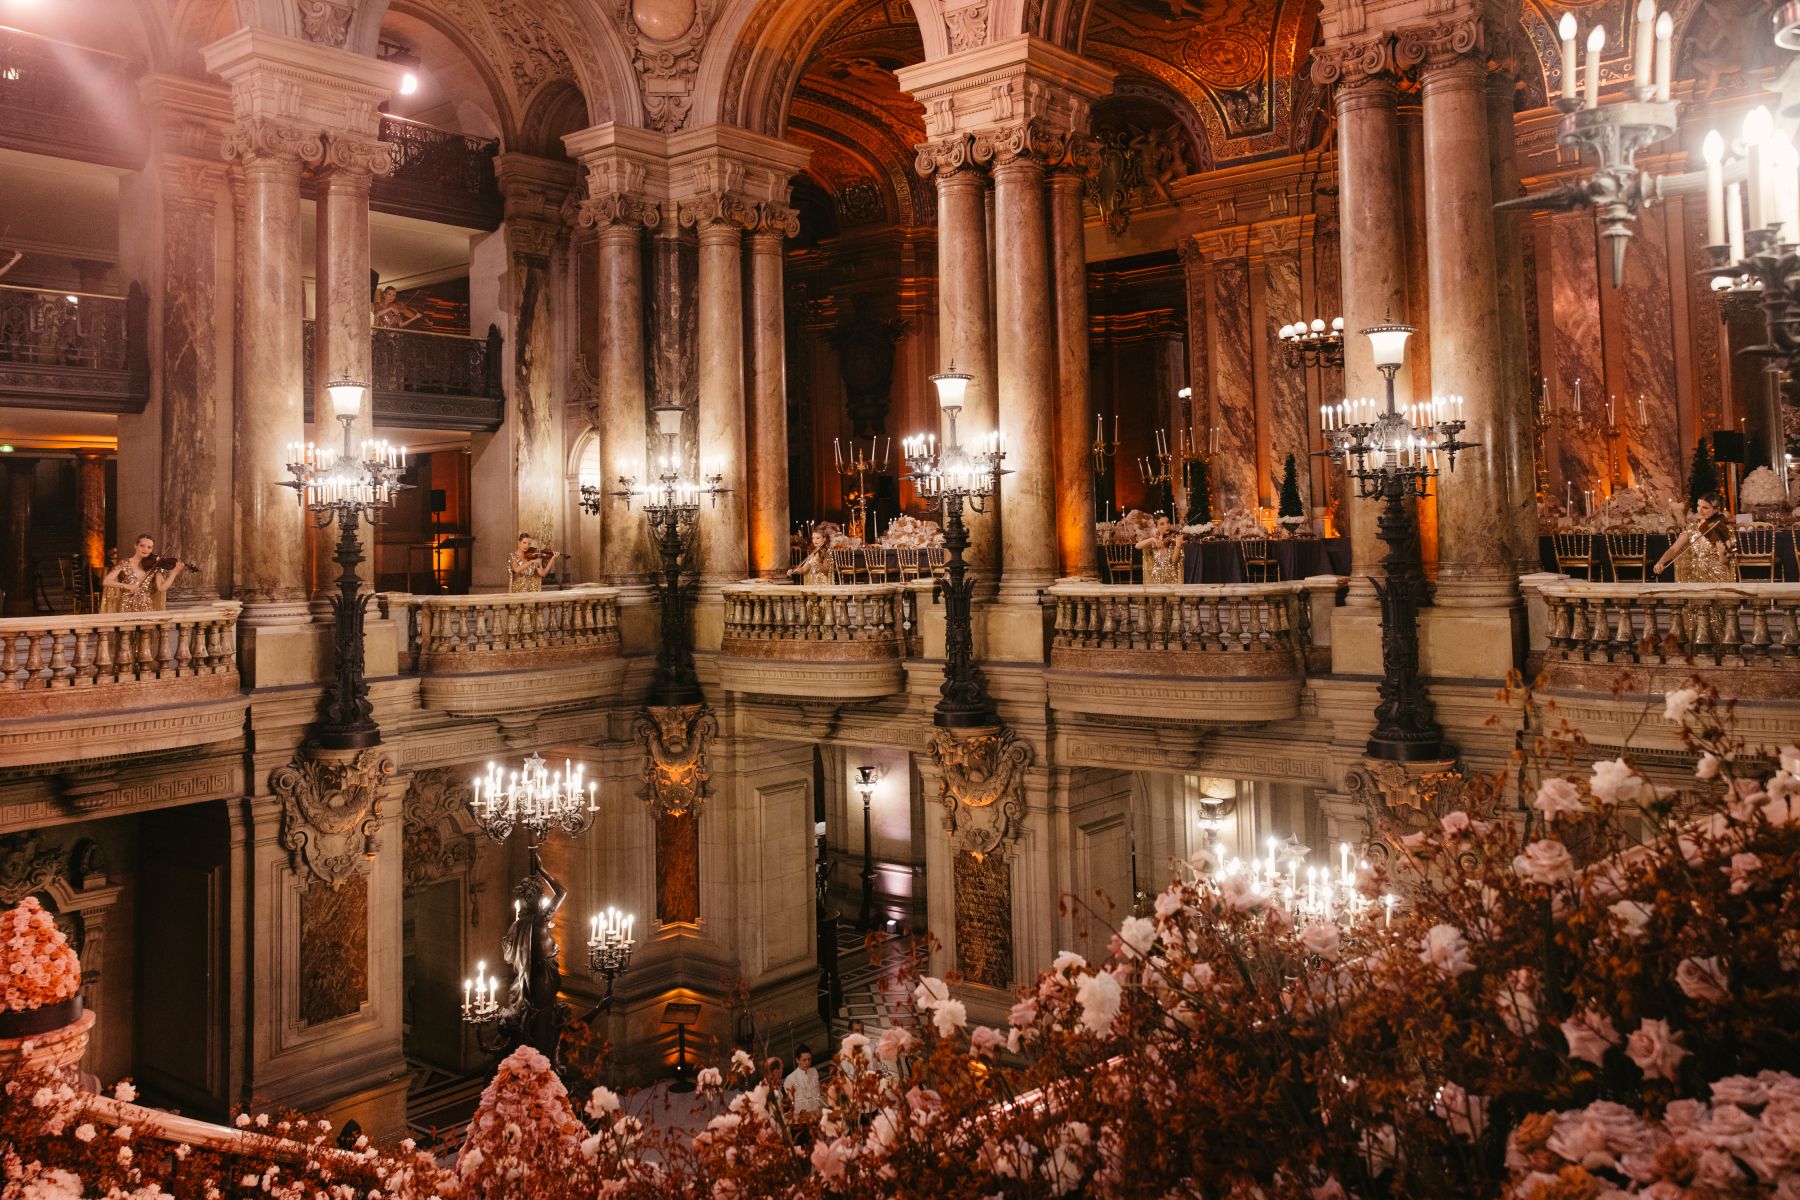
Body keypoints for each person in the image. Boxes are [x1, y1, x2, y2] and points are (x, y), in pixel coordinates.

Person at [1653, 491, 1736, 583]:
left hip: (1717, 576)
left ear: (1716, 509)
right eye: (1698, 506)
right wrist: (1661, 562)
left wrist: (1721, 554)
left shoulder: (1723, 528)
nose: (1700, 510)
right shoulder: (1692, 526)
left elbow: (1726, 561)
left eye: (1705, 508)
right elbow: (1674, 548)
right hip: (1694, 574)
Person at [101, 533, 186, 613]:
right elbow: (106, 581)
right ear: (136, 545)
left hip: (146, 607)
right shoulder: (124, 563)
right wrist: (127, 586)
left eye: (149, 547)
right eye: (142, 546)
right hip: (126, 606)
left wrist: (174, 573)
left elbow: (162, 588)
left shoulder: (155, 566)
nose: (145, 550)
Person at [1135, 513, 1186, 584]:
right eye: (1162, 524)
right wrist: (1152, 539)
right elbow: (1137, 546)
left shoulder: (1173, 540)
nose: (1166, 526)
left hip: (1172, 579)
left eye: (1168, 522)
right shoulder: (1154, 541)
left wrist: (1178, 546)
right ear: (1156, 527)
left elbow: (1173, 562)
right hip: (1155, 579)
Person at [783, 1045, 822, 1117]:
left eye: (809, 1059)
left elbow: (817, 1092)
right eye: (804, 1060)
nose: (807, 1062)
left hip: (816, 1112)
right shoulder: (790, 1078)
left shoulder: (814, 1072)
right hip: (801, 1116)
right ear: (797, 1060)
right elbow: (791, 1103)